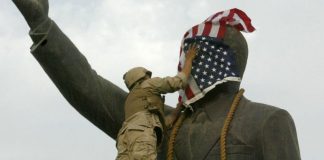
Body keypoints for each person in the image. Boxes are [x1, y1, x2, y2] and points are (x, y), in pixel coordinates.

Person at [12, 1, 300, 159]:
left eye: (197, 55)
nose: (187, 64)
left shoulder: (268, 121)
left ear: (225, 61)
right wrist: (41, 24)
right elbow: (89, 86)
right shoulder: (159, 124)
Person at [116, 44, 197, 159]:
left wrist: (179, 107)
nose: (150, 78)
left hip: (124, 139)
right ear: (142, 76)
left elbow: (165, 123)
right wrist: (189, 59)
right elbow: (179, 81)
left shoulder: (131, 101)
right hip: (142, 134)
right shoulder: (147, 84)